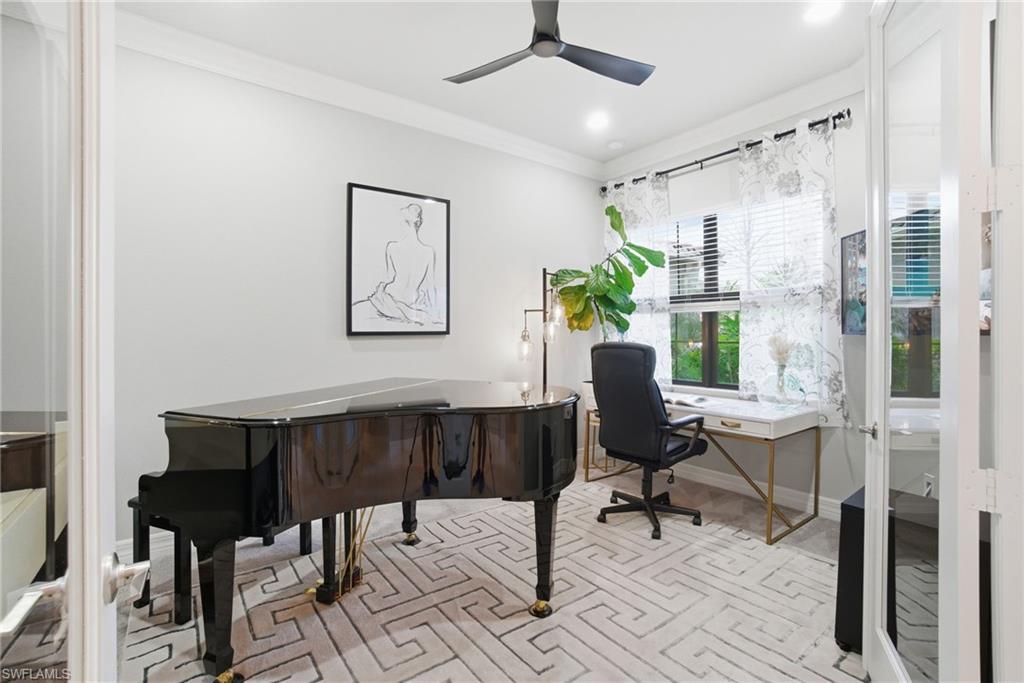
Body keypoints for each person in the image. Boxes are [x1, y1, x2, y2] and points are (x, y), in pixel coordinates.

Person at [354, 203, 440, 327]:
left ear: (405, 223)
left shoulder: (392, 247)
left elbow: (390, 277)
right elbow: (430, 286)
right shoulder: (429, 252)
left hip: (390, 299)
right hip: (411, 301)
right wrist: (435, 311)